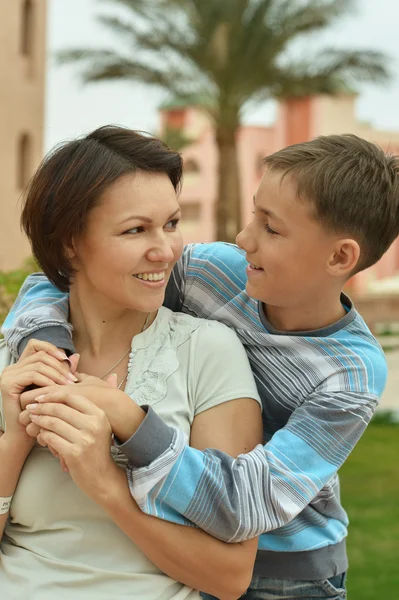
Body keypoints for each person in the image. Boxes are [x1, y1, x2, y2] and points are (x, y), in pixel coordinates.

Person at [3, 134, 398, 600]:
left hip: (292, 566)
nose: (243, 237)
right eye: (255, 214)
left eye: (271, 228)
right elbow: (62, 280)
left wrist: (127, 422)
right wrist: (46, 351)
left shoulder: (350, 373)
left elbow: (248, 500)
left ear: (340, 257)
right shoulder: (220, 272)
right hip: (192, 536)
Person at [0, 126, 264, 600]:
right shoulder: (12, 359)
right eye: (135, 229)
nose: (164, 251)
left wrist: (105, 482)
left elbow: (230, 575)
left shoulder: (208, 352)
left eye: (171, 223)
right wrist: (15, 439)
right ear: (68, 243)